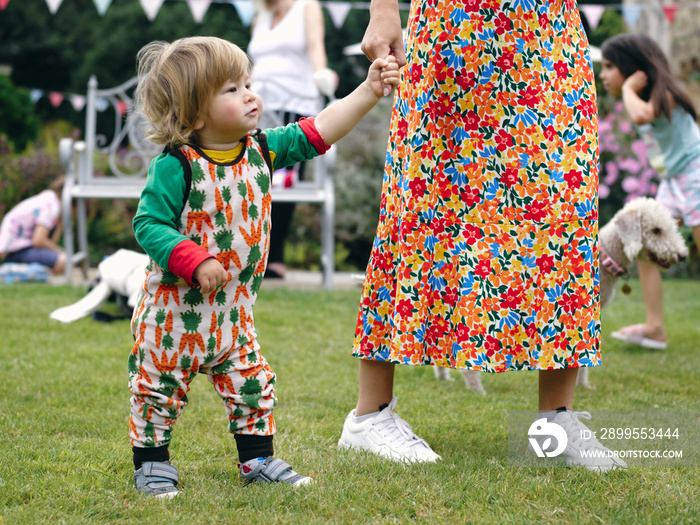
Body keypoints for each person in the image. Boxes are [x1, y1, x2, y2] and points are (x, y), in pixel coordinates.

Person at [337, 0, 626, 472]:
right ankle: (369, 417)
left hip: (548, 37)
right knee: (421, 211)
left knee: (560, 213)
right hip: (455, 36)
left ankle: (555, 423)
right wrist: (384, 9)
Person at [128, 36, 399, 497]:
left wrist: (368, 91)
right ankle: (153, 463)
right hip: (173, 316)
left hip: (234, 314)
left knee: (253, 386)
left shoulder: (261, 151)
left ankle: (257, 459)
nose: (250, 94)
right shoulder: (177, 166)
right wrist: (193, 259)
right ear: (194, 114)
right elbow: (149, 223)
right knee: (157, 390)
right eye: (231, 89)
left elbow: (319, 131)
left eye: (248, 83)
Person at [599, 33, 700, 350]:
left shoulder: (665, 93)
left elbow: (642, 114)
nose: (603, 75)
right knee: (647, 245)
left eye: (609, 66)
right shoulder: (649, 97)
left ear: (633, 68)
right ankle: (655, 326)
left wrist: (628, 89)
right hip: (674, 179)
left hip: (695, 172)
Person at [247, 0, 337, 279]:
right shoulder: (259, 17)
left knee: (283, 181)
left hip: (295, 105)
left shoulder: (307, 7)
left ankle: (275, 258)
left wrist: (323, 77)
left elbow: (316, 50)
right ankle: (254, 254)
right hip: (259, 109)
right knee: (253, 178)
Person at [0, 176, 69, 274]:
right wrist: (61, 250)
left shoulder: (49, 198)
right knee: (65, 261)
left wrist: (60, 222)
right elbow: (39, 240)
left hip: (15, 250)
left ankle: (37, 272)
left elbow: (49, 242)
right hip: (16, 251)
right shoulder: (52, 206)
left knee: (62, 260)